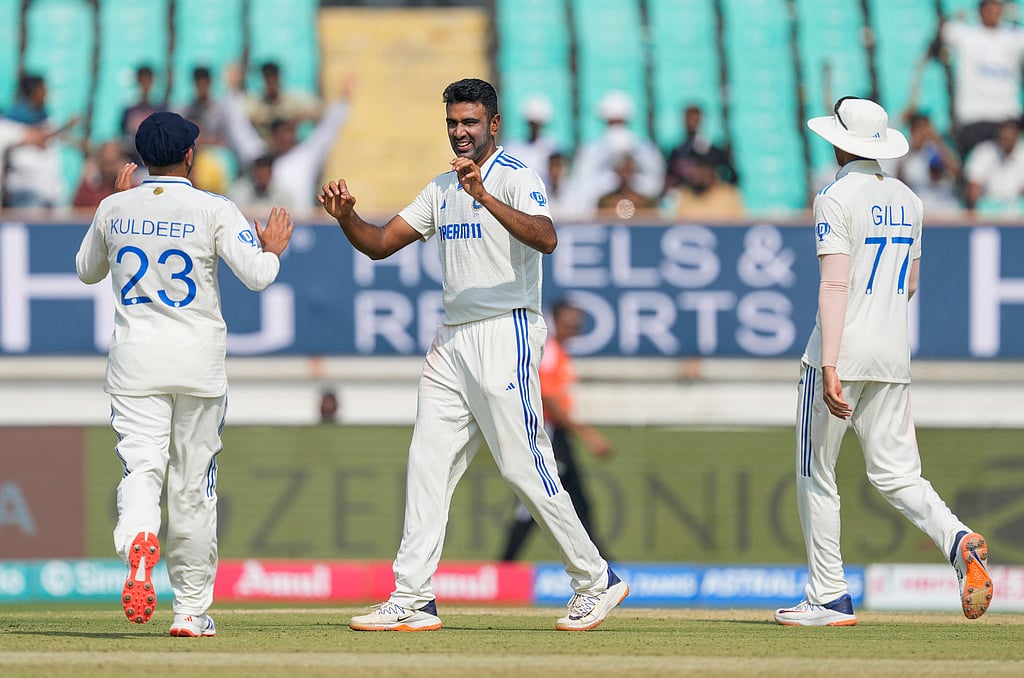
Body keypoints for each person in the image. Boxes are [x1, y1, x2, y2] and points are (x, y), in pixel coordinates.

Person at [318, 78, 628, 632]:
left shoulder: (516, 176)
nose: (460, 133)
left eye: (470, 123)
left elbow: (547, 238)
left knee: (522, 464)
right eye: (453, 124)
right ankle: (412, 597)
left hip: (506, 330)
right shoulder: (440, 188)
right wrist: (346, 217)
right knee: (427, 464)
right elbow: (382, 243)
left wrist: (483, 195)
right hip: (452, 337)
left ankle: (595, 578)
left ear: (493, 124)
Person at [775, 96, 993, 627]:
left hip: (840, 353)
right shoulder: (910, 199)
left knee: (816, 472)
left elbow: (834, 282)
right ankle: (958, 538)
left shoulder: (833, 196)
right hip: (893, 353)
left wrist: (830, 364)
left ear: (837, 141)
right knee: (898, 476)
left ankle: (827, 597)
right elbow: (911, 283)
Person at [75, 111, 294, 637]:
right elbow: (259, 277)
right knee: (193, 488)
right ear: (191, 156)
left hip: (134, 364)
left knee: (142, 470)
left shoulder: (113, 206)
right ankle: (191, 612)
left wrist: (118, 205)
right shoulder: (213, 207)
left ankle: (139, 542)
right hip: (198, 364)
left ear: (142, 157)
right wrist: (273, 249)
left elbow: (87, 271)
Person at [500, 299, 612, 562]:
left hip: (558, 435)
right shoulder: (549, 350)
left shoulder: (561, 352)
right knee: (535, 502)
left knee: (580, 502)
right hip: (547, 433)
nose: (576, 324)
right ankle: (504, 566)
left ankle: (601, 562)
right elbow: (548, 396)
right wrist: (588, 435)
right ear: (557, 319)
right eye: (570, 318)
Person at [937, 0, 1024, 158]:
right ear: (981, 10)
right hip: (974, 116)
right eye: (989, 7)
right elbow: (942, 32)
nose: (994, 12)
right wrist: (957, 15)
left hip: (1007, 115)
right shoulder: (966, 34)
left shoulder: (1015, 37)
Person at [569, 90, 665, 209]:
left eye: (620, 122)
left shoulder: (644, 148)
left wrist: (630, 182)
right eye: (613, 122)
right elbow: (583, 187)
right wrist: (613, 181)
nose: (617, 128)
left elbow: (656, 185)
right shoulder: (591, 150)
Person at [3, 74, 77, 208]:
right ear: (33, 91)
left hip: (50, 190)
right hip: (25, 190)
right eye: (43, 89)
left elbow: (62, 139)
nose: (46, 94)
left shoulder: (46, 118)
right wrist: (67, 126)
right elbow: (36, 137)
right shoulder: (10, 120)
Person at [894, 112, 962, 215]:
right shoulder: (907, 155)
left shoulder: (939, 150)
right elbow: (899, 181)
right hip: (920, 211)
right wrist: (913, 149)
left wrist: (938, 142)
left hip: (946, 209)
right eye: (919, 130)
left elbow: (956, 172)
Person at [664, 104, 738, 194]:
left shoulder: (714, 151)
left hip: (711, 197)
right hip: (687, 197)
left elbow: (732, 176)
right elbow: (670, 178)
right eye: (689, 119)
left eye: (695, 120)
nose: (691, 123)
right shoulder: (677, 152)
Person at [246, 61, 321, 143]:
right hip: (264, 149)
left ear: (278, 77)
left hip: (289, 150)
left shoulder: (291, 99)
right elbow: (252, 118)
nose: (270, 81)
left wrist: (296, 120)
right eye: (267, 77)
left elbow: (317, 111)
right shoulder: (255, 101)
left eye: (273, 77)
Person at [964, 117, 1024, 213]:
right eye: (1003, 138)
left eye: (1009, 139)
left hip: (1018, 207)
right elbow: (974, 188)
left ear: (1017, 136)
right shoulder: (983, 151)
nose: (1005, 142)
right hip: (989, 207)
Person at [502, 94, 558, 186]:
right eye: (532, 123)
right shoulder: (512, 147)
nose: (535, 127)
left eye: (538, 123)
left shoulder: (552, 147)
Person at [120, 65, 163, 163]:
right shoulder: (129, 110)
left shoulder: (160, 109)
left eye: (148, 81)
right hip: (134, 162)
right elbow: (123, 136)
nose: (145, 86)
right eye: (142, 81)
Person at [72, 141, 130, 208]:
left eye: (112, 165)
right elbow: (76, 211)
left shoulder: (131, 189)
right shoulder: (88, 189)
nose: (109, 170)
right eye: (106, 165)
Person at [229, 153, 297, 211]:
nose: (262, 175)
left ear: (271, 173)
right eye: (259, 172)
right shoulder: (241, 191)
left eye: (265, 172)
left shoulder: (283, 195)